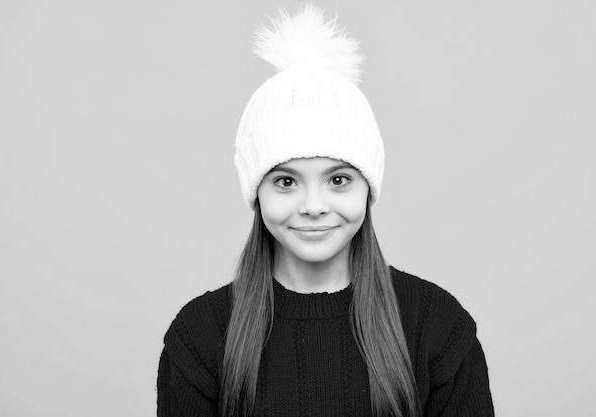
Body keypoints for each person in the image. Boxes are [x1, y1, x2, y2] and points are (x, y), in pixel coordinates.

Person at [157, 5, 494, 417]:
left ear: (367, 188)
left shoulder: (436, 327)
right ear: (256, 191)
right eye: (286, 181)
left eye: (338, 180)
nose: (314, 207)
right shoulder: (200, 337)